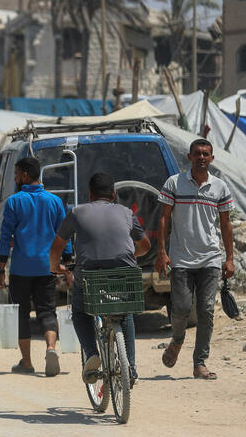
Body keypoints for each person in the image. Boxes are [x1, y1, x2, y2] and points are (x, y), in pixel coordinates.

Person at [49, 173, 151, 384]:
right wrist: (131, 256)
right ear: (113, 194)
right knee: (125, 313)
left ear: (90, 194)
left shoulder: (77, 212)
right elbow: (145, 246)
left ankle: (91, 351)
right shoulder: (126, 212)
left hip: (90, 275)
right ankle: (130, 367)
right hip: (124, 272)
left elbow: (57, 245)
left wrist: (55, 267)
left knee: (79, 312)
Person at [156, 138, 236, 380]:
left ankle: (199, 363)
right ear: (189, 157)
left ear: (212, 158)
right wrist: (162, 251)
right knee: (180, 308)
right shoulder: (174, 183)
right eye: (198, 153)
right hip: (180, 258)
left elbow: (226, 224)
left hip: (210, 258)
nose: (202, 157)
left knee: (207, 311)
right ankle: (177, 340)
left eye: (206, 154)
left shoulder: (220, 187)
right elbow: (163, 220)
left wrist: (229, 258)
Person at [0, 157, 66, 376]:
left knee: (22, 314)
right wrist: (66, 260)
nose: (16, 178)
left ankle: (26, 362)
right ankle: (51, 348)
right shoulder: (55, 201)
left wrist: (0, 268)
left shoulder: (14, 202)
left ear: (25, 175)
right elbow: (64, 235)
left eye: (17, 174)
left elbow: (6, 236)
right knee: (47, 310)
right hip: (47, 267)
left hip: (21, 268)